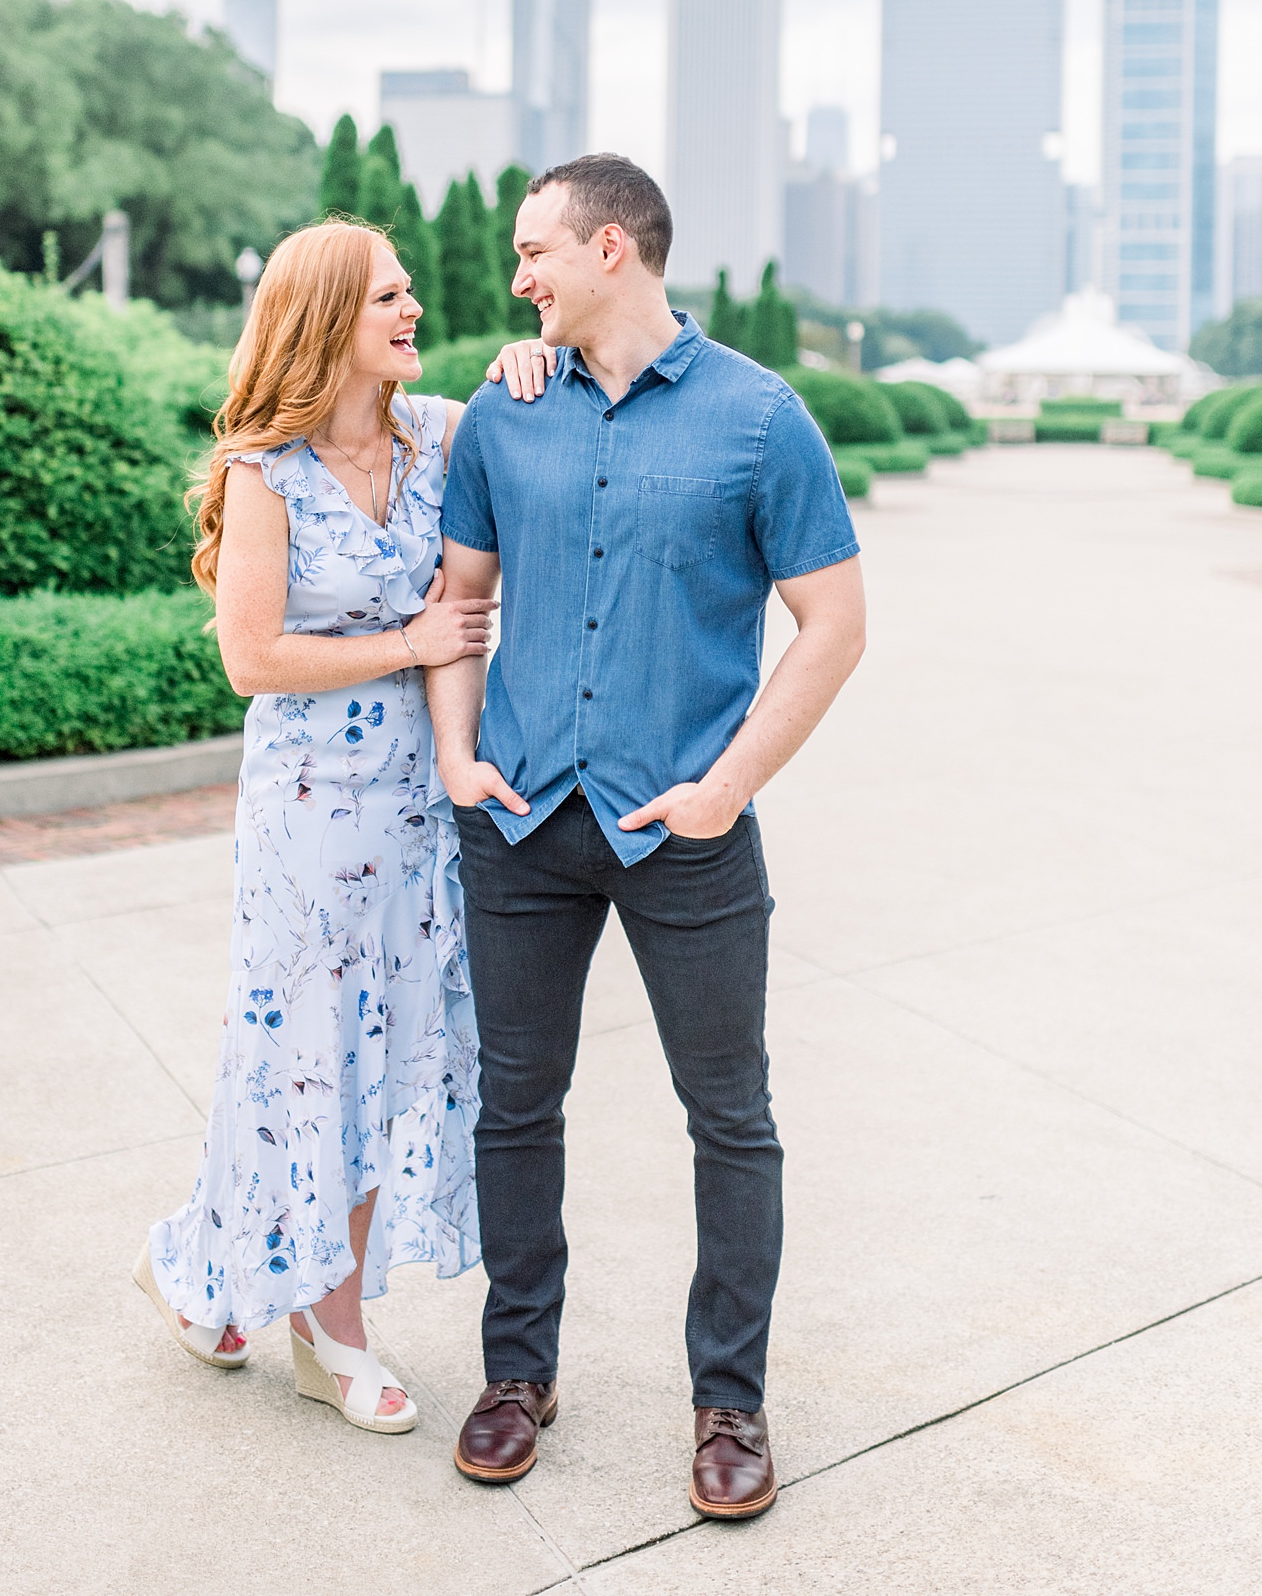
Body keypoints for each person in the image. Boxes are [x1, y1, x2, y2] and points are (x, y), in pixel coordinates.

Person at [429, 154, 867, 1519]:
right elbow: (460, 603)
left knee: (728, 1119)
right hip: (521, 824)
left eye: (532, 253)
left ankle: (727, 1404)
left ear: (608, 249)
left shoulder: (758, 419)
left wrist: (727, 786)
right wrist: (457, 755)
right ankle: (515, 1375)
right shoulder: (502, 418)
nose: (516, 279)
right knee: (514, 1103)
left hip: (686, 830)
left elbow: (834, 627)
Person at [134, 220, 545, 1433]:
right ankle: (331, 1331)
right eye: (387, 298)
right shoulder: (268, 471)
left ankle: (208, 1272)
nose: (411, 311)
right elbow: (251, 658)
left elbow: (546, 428)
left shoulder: (446, 435)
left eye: (411, 292)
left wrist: (533, 367)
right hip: (310, 825)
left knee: (393, 1051)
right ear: (325, 322)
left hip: (425, 814)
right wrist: (408, 645)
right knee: (307, 1061)